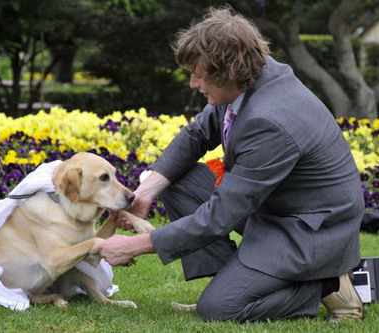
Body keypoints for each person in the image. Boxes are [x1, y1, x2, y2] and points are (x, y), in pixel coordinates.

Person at [91, 7, 364, 322]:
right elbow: (197, 134)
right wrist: (146, 193)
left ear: (229, 71)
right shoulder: (255, 78)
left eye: (200, 74)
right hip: (277, 208)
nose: (193, 83)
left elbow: (220, 216)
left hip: (308, 230)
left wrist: (135, 246)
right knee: (176, 180)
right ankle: (233, 280)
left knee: (220, 309)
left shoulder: (270, 121)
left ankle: (323, 282)